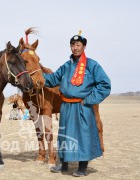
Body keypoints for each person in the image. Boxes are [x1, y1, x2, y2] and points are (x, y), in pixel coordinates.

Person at [44, 32, 111, 177]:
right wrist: (38, 75)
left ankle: (82, 167)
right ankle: (63, 164)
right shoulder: (66, 66)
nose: (75, 48)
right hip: (66, 107)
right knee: (64, 136)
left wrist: (90, 99)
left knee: (83, 136)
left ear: (84, 47)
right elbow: (53, 79)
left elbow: (105, 85)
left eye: (78, 45)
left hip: (83, 106)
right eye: (73, 45)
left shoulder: (92, 65)